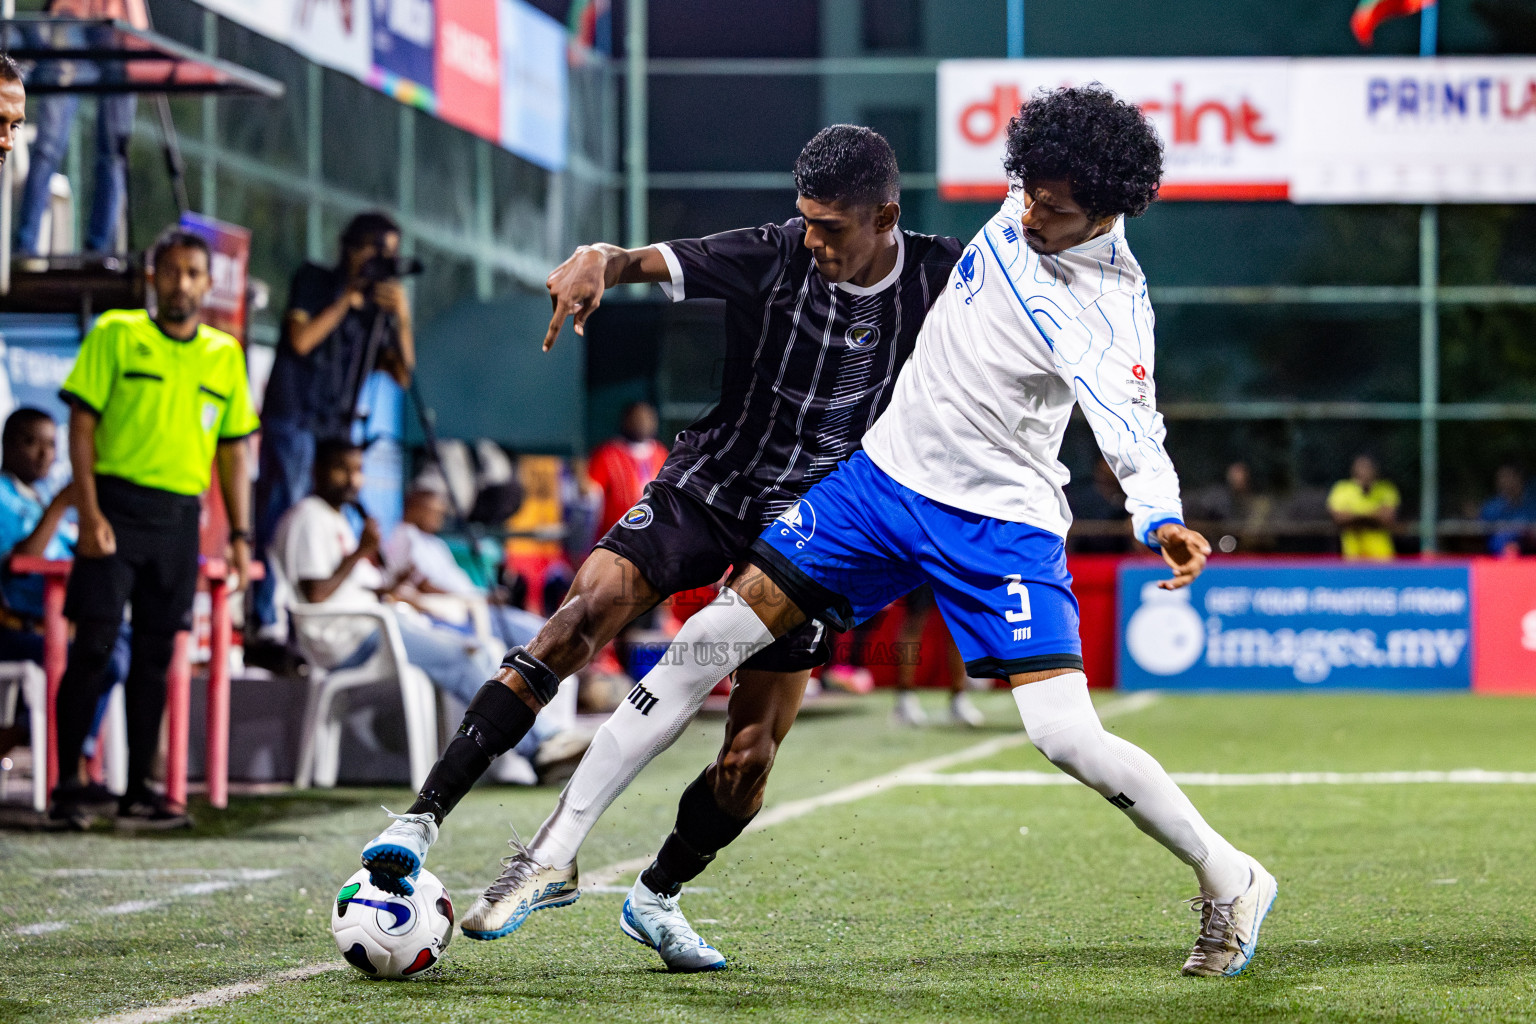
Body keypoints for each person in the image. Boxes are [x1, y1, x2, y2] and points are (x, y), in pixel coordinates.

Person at [433, 87, 1274, 977]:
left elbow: (1133, 423)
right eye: (1024, 190)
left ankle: (1231, 877)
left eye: (1054, 207)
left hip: (997, 521)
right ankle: (554, 851)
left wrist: (1163, 515)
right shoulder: (1025, 206)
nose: (1028, 213)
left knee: (1062, 734)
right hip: (878, 484)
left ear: (1109, 210)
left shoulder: (1108, 311)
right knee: (703, 641)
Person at [354, 125, 962, 924]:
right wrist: (594, 257)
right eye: (805, 219)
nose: (812, 239)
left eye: (831, 226)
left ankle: (657, 895)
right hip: (710, 486)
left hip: (814, 526)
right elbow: (635, 260)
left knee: (749, 759)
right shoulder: (773, 254)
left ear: (885, 218)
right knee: (580, 615)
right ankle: (422, 817)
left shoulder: (945, 276)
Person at [49, 229, 259, 829]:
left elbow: (233, 454)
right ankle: (68, 788)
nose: (183, 283)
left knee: (156, 655)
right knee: (92, 646)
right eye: (172, 272)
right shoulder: (116, 333)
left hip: (178, 521)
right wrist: (88, 515)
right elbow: (82, 428)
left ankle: (138, 789)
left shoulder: (225, 354)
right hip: (113, 511)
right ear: (152, 276)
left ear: (208, 283)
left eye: (194, 273)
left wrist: (241, 537)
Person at [253, 212, 417, 631]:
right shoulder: (315, 280)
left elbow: (402, 375)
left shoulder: (377, 312)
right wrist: (347, 298)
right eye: (375, 250)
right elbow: (301, 340)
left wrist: (402, 318)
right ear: (351, 247)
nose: (380, 261)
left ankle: (314, 614)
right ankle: (267, 616)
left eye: (390, 255)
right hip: (294, 414)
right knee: (287, 512)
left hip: (336, 426)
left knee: (328, 516)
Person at [0, 408, 130, 773]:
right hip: (14, 628)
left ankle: (49, 743)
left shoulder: (37, 498)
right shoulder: (6, 496)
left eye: (51, 445)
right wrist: (59, 505)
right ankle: (69, 758)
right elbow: (21, 561)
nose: (44, 454)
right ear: (7, 445)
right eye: (31, 442)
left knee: (119, 644)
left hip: (59, 623)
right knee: (106, 656)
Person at [16, 0, 147, 256]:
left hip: (117, 28)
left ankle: (98, 252)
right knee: (48, 146)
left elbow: (139, 27)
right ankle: (24, 245)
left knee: (113, 154)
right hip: (72, 18)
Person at [383, 478, 547, 650]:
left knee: (536, 627)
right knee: (534, 634)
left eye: (441, 512)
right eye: (434, 512)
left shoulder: (434, 542)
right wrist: (476, 598)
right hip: (456, 612)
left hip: (471, 605)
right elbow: (421, 584)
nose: (439, 517)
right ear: (415, 508)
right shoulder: (406, 536)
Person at [889, 586, 984, 728]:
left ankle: (958, 697)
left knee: (958, 623)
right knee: (915, 619)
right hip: (921, 566)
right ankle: (905, 697)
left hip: (954, 564)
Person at [586, 401, 668, 539]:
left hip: (654, 538)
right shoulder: (608, 454)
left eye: (648, 418)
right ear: (626, 421)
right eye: (638, 418)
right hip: (616, 537)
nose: (643, 423)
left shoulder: (662, 454)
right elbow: (590, 495)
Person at [1327, 454, 1399, 560]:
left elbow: (1387, 518)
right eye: (1362, 468)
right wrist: (1373, 514)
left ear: (1375, 471)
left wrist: (1354, 515)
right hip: (1352, 553)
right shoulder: (1342, 489)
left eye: (1368, 468)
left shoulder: (1386, 489)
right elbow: (1339, 518)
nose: (1365, 472)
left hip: (1382, 556)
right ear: (1354, 470)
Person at [1479, 464, 1536, 556]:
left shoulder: (1532, 505)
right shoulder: (1491, 507)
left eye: (1508, 476)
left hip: (1530, 556)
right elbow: (1481, 533)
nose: (1504, 481)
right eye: (1501, 478)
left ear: (1519, 478)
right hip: (1497, 558)